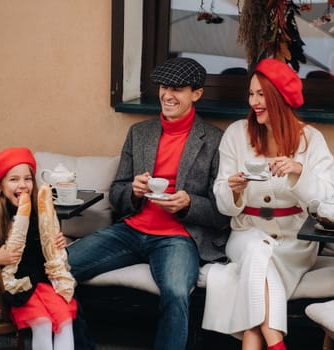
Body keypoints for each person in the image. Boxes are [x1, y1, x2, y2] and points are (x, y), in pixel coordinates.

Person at [67, 57, 231, 350]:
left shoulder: (216, 140)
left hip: (178, 238)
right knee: (59, 268)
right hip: (130, 230)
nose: (167, 95)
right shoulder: (139, 133)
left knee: (177, 292)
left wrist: (189, 203)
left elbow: (222, 213)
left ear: (197, 93)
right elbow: (116, 194)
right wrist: (133, 191)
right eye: (164, 87)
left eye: (177, 89)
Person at [201, 58, 334, 350]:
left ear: (279, 96)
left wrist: (299, 172)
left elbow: (328, 201)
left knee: (256, 278)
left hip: (294, 242)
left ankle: (264, 343)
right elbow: (223, 203)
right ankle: (277, 343)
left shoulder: (311, 141)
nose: (253, 102)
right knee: (255, 249)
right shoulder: (236, 134)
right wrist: (234, 191)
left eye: (261, 94)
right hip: (245, 232)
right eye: (251, 94)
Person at [0, 147, 78, 350]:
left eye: (27, 179)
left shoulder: (38, 214)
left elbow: (43, 258)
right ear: (0, 186)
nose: (22, 185)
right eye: (13, 179)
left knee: (64, 320)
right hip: (4, 290)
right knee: (42, 322)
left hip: (36, 282)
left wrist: (57, 247)